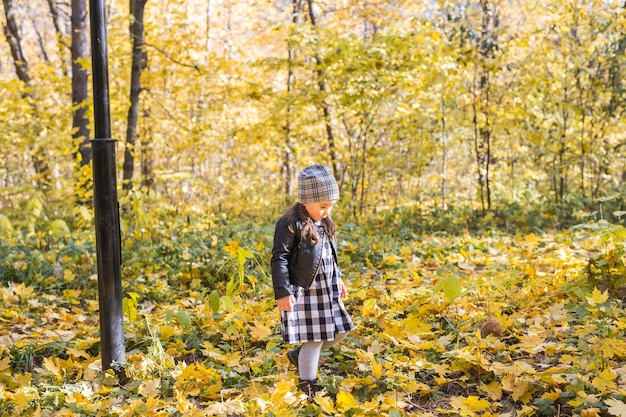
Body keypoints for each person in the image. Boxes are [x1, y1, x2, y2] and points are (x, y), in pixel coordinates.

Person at [270, 163, 355, 400]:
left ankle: (299, 356)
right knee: (314, 339)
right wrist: (283, 292)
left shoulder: (323, 222)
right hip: (305, 291)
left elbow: (329, 254)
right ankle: (308, 385)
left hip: (326, 289)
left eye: (331, 206)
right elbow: (280, 258)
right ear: (306, 200)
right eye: (323, 206)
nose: (327, 211)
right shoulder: (290, 223)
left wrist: (337, 278)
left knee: (340, 330)